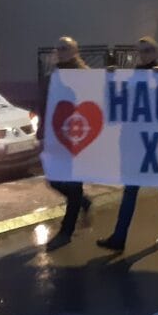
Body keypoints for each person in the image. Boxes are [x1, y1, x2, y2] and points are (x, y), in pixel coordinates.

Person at [96, 37, 158, 251]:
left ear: (156, 52)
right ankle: (120, 236)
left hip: (155, 141)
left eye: (149, 50)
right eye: (141, 51)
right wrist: (110, 82)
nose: (145, 54)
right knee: (132, 188)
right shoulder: (131, 77)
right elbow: (117, 104)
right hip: (134, 141)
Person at [41, 36, 92, 251]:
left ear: (74, 51)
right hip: (57, 134)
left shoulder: (82, 73)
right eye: (58, 48)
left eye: (64, 48)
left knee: (72, 182)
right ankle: (82, 202)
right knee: (53, 179)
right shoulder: (55, 73)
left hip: (76, 135)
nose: (59, 51)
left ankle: (66, 231)